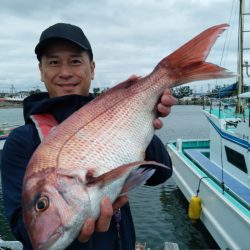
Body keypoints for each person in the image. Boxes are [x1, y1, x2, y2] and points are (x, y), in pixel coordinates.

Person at [1, 23, 175, 250]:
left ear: (92, 69)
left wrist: (144, 117)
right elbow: (22, 227)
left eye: (75, 61)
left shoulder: (115, 116)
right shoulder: (21, 141)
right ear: (41, 71)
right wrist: (74, 229)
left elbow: (161, 173)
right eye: (53, 62)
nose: (65, 72)